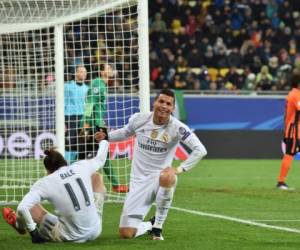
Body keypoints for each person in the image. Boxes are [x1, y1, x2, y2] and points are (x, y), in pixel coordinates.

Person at [96, 89, 207, 240]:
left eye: (168, 104)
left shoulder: (177, 127)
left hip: (159, 178)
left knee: (168, 176)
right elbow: (125, 132)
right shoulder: (139, 119)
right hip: (138, 182)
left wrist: (179, 169)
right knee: (126, 233)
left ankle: (157, 228)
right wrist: (107, 137)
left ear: (172, 108)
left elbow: (200, 150)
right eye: (161, 101)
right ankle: (150, 224)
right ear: (154, 102)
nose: (164, 106)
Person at [2, 135, 109, 243]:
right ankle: (92, 214)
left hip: (71, 237)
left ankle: (18, 224)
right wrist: (103, 141)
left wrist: (33, 232)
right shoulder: (81, 166)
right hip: (96, 229)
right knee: (96, 177)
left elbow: (22, 208)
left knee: (29, 206)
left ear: (48, 170)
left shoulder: (46, 182)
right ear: (65, 161)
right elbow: (100, 159)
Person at [81, 63, 128, 193]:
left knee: (101, 154)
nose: (111, 70)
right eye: (108, 68)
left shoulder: (103, 85)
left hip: (98, 123)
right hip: (94, 124)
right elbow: (90, 102)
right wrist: (86, 123)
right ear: (101, 72)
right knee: (85, 154)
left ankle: (115, 184)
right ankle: (115, 184)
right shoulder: (97, 83)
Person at [276, 73, 300, 190]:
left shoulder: (292, 94)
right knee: (290, 154)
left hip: (293, 129)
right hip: (294, 130)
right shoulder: (296, 95)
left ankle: (281, 182)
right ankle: (281, 182)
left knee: (290, 154)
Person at [64, 65, 89, 162]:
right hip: (70, 116)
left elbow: (89, 105)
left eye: (85, 72)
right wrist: (62, 121)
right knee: (71, 140)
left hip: (83, 117)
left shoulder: (87, 89)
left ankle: (75, 164)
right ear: (76, 73)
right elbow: (62, 102)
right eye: (81, 71)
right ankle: (66, 164)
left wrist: (88, 119)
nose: (84, 74)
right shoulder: (67, 87)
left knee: (82, 141)